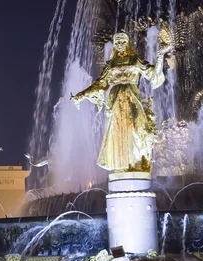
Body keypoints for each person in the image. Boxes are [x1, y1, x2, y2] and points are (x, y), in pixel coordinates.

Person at [71, 32, 172, 172]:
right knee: (118, 132)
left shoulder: (135, 59)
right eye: (116, 41)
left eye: (122, 41)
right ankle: (122, 165)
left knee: (136, 130)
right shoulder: (110, 64)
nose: (119, 44)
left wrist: (160, 55)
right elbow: (99, 84)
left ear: (127, 43)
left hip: (132, 98)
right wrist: (81, 95)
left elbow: (153, 73)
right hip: (116, 101)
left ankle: (137, 162)